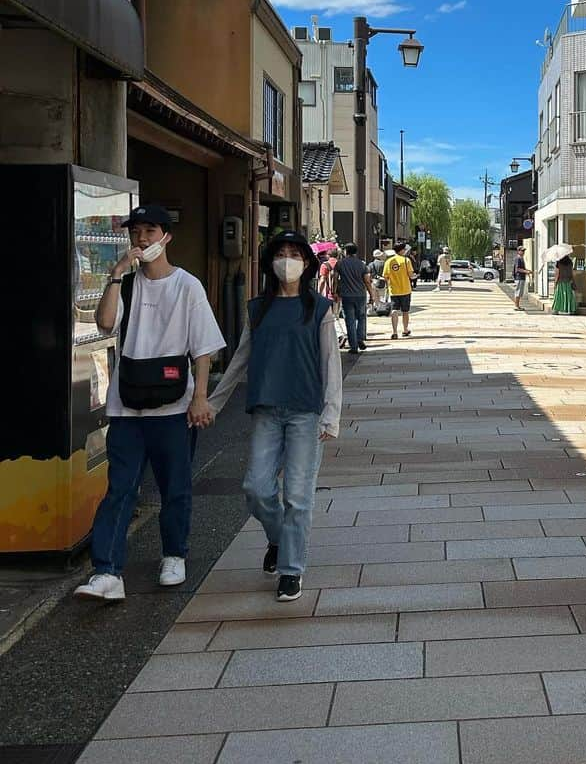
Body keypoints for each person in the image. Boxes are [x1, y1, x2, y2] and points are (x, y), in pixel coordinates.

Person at [74, 205, 224, 602]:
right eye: (136, 232)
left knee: (175, 487)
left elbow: (203, 349)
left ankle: (174, 554)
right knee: (120, 488)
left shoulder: (187, 286)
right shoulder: (125, 284)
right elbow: (106, 324)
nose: (141, 239)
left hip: (174, 409)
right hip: (127, 407)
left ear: (166, 237)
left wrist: (201, 397)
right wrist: (116, 273)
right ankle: (107, 571)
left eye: (150, 231)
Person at [208, 232, 341, 600]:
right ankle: (279, 539)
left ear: (307, 263)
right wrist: (214, 402)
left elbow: (331, 365)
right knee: (256, 487)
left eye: (295, 254)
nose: (287, 260)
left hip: (305, 412)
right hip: (266, 409)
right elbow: (240, 360)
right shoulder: (258, 309)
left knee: (298, 496)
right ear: (270, 263)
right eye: (281, 254)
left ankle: (291, 570)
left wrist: (331, 414)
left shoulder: (319, 309)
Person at [338, 243, 377, 354]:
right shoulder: (362, 264)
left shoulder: (340, 264)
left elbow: (335, 279)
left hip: (346, 295)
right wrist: (371, 295)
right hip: (360, 294)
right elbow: (367, 281)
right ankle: (360, 339)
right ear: (356, 252)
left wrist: (335, 291)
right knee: (361, 318)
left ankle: (353, 346)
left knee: (349, 321)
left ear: (346, 251)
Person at [383, 240, 415, 339]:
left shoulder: (388, 261)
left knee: (394, 310)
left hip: (393, 290)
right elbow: (411, 274)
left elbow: (385, 276)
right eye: (404, 249)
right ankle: (405, 330)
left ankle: (395, 331)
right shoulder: (406, 260)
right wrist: (414, 276)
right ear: (401, 250)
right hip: (405, 289)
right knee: (405, 311)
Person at [317, 247, 340, 312]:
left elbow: (322, 280)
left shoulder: (325, 265)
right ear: (337, 255)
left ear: (328, 255)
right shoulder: (342, 264)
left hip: (328, 293)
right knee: (337, 314)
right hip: (341, 292)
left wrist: (319, 293)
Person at [512, 246, 531, 311]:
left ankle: (518, 305)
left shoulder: (521, 258)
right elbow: (517, 269)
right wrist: (526, 271)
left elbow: (522, 268)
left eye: (524, 251)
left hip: (522, 277)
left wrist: (528, 271)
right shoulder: (518, 258)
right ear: (518, 251)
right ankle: (516, 306)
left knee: (520, 292)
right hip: (519, 277)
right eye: (522, 251)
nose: (523, 252)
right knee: (518, 292)